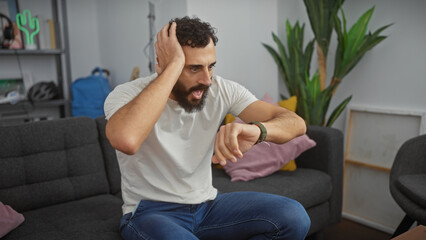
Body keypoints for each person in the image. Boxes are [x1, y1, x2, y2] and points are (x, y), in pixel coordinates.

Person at [104, 16, 310, 240]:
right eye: (193, 68)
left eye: (210, 66)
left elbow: (296, 124)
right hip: (150, 213)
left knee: (294, 217)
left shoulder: (221, 89)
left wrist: (259, 131)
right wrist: (171, 68)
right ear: (161, 63)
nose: (207, 79)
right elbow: (126, 140)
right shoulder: (127, 95)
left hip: (209, 206)